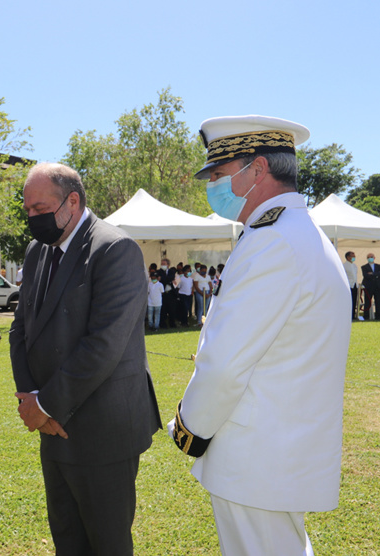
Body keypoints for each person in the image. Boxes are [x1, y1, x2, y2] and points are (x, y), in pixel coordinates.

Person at [169, 115, 351, 555]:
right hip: (277, 450)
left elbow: (226, 364)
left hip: (257, 457)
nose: (210, 184)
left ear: (257, 170)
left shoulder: (273, 243)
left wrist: (188, 427)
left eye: (218, 173)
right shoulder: (295, 235)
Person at [9, 162, 162, 555]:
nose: (32, 219)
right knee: (67, 539)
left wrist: (45, 404)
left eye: (40, 210)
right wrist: (30, 398)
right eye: (28, 211)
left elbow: (103, 345)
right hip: (51, 425)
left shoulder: (115, 249)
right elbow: (20, 329)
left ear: (72, 202)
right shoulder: (37, 251)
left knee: (107, 542)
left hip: (102, 430)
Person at [157, 258, 177, 328]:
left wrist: (163, 279)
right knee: (163, 310)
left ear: (168, 265)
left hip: (171, 293)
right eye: (162, 264)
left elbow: (171, 278)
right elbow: (161, 280)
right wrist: (168, 280)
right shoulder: (159, 271)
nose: (162, 265)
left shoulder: (171, 271)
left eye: (164, 264)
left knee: (172, 309)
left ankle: (172, 324)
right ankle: (163, 324)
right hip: (163, 293)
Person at [361, 253, 379, 320]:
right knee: (367, 301)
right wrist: (375, 275)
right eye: (368, 257)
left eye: (371, 257)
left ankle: (378, 316)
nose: (370, 258)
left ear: (374, 257)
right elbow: (366, 275)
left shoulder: (378, 266)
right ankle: (366, 316)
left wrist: (372, 273)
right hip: (368, 286)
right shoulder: (364, 267)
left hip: (377, 286)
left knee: (378, 301)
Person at [343, 251, 359, 320]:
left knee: (354, 300)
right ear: (348, 257)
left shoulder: (354, 265)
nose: (354, 258)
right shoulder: (344, 265)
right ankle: (348, 315)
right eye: (352, 256)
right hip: (348, 285)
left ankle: (353, 315)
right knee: (349, 301)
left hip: (354, 285)